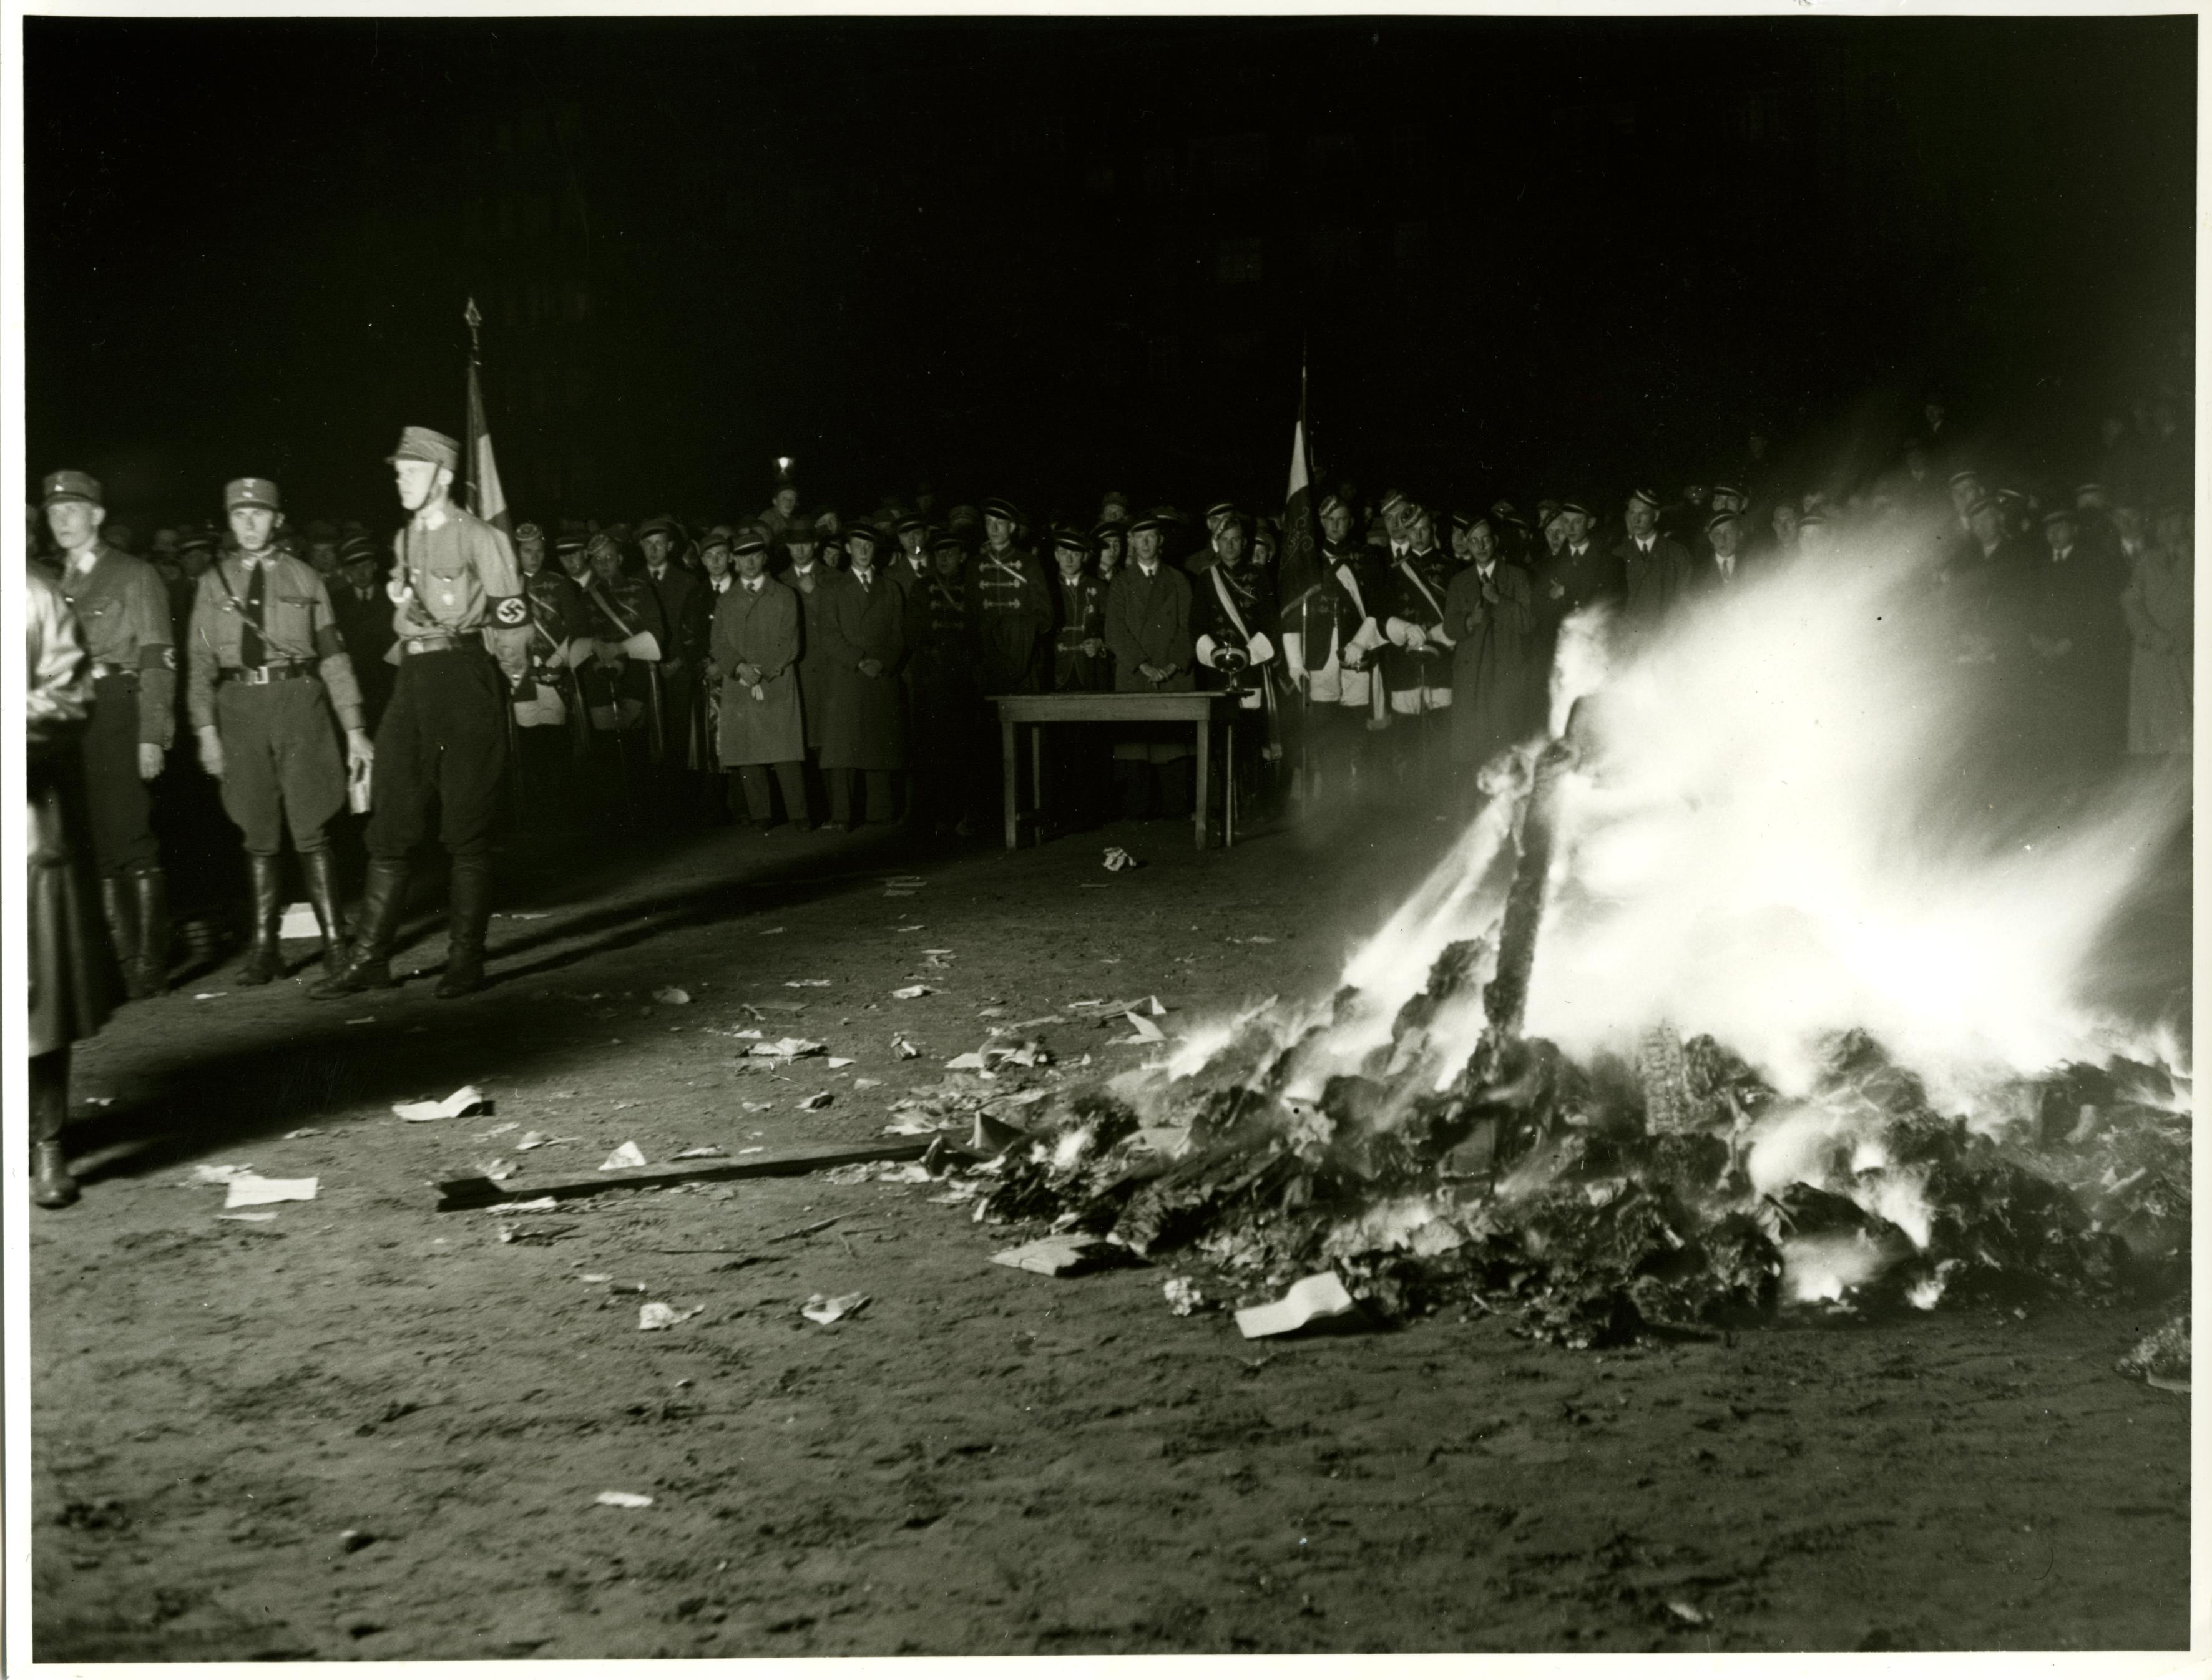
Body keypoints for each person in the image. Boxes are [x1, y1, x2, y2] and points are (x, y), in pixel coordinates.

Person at [311, 426, 530, 1000]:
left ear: (443, 476)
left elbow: (512, 620)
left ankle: (466, 959)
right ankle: (370, 958)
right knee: (391, 813)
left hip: (465, 676)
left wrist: (501, 686)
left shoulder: (481, 537)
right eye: (399, 471)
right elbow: (406, 608)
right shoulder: (405, 538)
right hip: (413, 677)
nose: (400, 479)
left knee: (467, 822)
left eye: (410, 470)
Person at [187, 476, 375, 984]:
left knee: (312, 825)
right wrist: (205, 730)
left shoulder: (307, 579)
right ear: (230, 522)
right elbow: (200, 663)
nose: (250, 524)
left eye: (259, 514)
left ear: (277, 520)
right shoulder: (211, 584)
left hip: (299, 703)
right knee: (257, 830)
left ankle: (336, 943)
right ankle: (265, 948)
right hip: (239, 708)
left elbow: (334, 657)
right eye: (240, 515)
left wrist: (354, 728)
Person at [44, 469, 177, 999]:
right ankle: (118, 964)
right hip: (64, 718)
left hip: (116, 710)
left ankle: (149, 965)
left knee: (129, 835)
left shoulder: (133, 574)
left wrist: (152, 733)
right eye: (54, 513)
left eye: (72, 510)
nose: (62, 521)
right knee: (90, 843)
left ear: (97, 516)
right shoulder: (53, 583)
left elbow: (157, 657)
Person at [27, 567, 127, 1208]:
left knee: (37, 993)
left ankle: (48, 1145)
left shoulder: (30, 595)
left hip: (23, 821)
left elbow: (69, 697)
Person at [1279, 492, 1385, 803]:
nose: (1336, 525)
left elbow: (1379, 604)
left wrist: (1361, 643)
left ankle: (1355, 794)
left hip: (1356, 651)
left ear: (1351, 522)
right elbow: (1291, 615)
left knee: (1355, 725)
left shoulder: (1366, 556)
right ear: (1321, 522)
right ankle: (1326, 796)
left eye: (1342, 519)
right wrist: (1296, 662)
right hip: (1318, 654)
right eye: (1330, 519)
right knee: (1323, 726)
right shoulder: (1307, 558)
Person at [711, 531, 813, 831]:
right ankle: (761, 814)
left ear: (765, 558)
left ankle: (799, 814)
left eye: (756, 555)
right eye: (744, 556)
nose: (750, 562)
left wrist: (764, 670)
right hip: (740, 682)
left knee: (785, 751)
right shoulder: (726, 601)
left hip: (777, 681)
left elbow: (790, 642)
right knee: (748, 752)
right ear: (735, 561)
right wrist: (740, 667)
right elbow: (718, 642)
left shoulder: (784, 595)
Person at [1104, 514, 1197, 819]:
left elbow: (1188, 629)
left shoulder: (1179, 579)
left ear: (1161, 541)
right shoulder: (1120, 583)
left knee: (1172, 745)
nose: (1145, 543)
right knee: (1137, 744)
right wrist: (1143, 666)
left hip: (1172, 674)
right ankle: (1139, 812)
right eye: (1139, 538)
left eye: (1151, 537)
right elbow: (1115, 631)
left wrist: (1172, 666)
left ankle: (1175, 811)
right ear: (1131, 542)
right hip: (1137, 673)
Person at [1190, 511, 1282, 817]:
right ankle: (1228, 803)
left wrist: (1247, 655)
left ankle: (1258, 802)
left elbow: (1270, 624)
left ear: (1244, 543)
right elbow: (1197, 626)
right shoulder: (1206, 579)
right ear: (1216, 543)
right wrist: (1216, 655)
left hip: (1252, 667)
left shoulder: (1259, 577)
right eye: (1224, 540)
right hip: (1218, 669)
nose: (1231, 546)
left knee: (1253, 738)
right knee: (1222, 741)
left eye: (1236, 540)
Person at [818, 524, 908, 828]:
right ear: (848, 549)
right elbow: (829, 636)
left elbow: (899, 634)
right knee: (844, 749)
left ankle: (880, 813)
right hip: (848, 676)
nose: (864, 551)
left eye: (869, 546)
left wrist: (883, 662)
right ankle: (843, 815)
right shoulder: (833, 589)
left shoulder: (890, 588)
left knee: (879, 746)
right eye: (858, 545)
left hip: (881, 676)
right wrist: (859, 660)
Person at [1441, 514, 1537, 791]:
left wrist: (1499, 600)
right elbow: (1450, 628)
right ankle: (1475, 805)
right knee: (1473, 750)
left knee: (1504, 744)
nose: (1481, 546)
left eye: (1486, 540)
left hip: (1505, 672)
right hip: (1472, 676)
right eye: (1474, 541)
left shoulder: (1517, 577)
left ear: (1495, 542)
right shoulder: (1460, 582)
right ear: (1467, 546)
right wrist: (1469, 621)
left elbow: (1528, 622)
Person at [904, 530, 984, 837]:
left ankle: (960, 815)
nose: (945, 559)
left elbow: (978, 632)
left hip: (964, 684)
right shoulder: (922, 588)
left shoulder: (972, 590)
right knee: (932, 752)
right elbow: (913, 633)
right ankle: (932, 817)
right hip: (933, 684)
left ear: (962, 556)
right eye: (940, 554)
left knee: (963, 752)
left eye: (951, 553)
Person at [512, 520, 590, 823]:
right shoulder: (505, 585)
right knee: (529, 746)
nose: (534, 557)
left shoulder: (560, 584)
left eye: (539, 551)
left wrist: (557, 663)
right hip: (521, 677)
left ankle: (561, 812)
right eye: (527, 551)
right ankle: (534, 813)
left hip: (553, 674)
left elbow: (577, 629)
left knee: (556, 743)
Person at [1379, 505, 1456, 776]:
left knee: (1440, 734)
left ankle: (1439, 800)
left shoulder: (1452, 569)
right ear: (1406, 533)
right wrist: (1404, 629)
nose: (1419, 535)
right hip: (1405, 662)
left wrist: (1438, 634)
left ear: (1432, 529)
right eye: (1413, 530)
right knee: (1407, 738)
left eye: (1424, 529)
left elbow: (1460, 614)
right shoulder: (1392, 572)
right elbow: (1381, 616)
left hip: (1442, 660)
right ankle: (1411, 802)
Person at [638, 514, 708, 804]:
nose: (654, 550)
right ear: (642, 548)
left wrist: (679, 660)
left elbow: (695, 628)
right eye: (649, 544)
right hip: (644, 671)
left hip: (679, 670)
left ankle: (681, 800)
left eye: (660, 544)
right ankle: (654, 801)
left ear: (670, 548)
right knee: (647, 736)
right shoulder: (633, 581)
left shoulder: (687, 582)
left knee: (679, 735)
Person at [2120, 504, 2191, 758]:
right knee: (2157, 739)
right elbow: (2130, 603)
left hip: (2189, 654)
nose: (2167, 529)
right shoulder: (2147, 562)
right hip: (2154, 655)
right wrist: (2153, 636)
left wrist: (2189, 635)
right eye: (2162, 523)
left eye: (2175, 521)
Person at [974, 497, 1052, 695]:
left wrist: (1020, 634)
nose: (994, 528)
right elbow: (970, 615)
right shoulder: (974, 566)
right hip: (988, 660)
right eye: (989, 522)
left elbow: (1045, 616)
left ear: (1012, 527)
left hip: (1024, 658)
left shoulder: (1029, 563)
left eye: (999, 523)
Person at [330, 531, 398, 731]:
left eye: (366, 566)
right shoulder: (336, 602)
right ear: (346, 572)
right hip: (353, 689)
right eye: (354, 568)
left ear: (375, 566)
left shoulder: (393, 597)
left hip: (388, 690)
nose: (361, 574)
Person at [1615, 486, 1694, 636]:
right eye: (1632, 513)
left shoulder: (1677, 554)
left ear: (1656, 516)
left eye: (1643, 514)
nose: (1636, 520)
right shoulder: (1618, 554)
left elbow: (1685, 599)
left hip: (1663, 638)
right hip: (1626, 640)